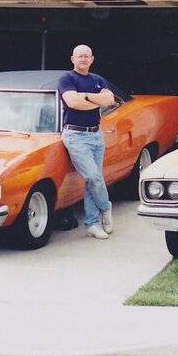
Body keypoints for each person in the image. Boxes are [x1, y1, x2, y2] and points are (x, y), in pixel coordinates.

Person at [58, 44, 116, 240]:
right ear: (72, 59)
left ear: (92, 59)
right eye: (79, 56)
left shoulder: (97, 79)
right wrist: (95, 100)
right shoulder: (67, 79)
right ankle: (106, 208)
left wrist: (86, 96)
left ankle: (92, 223)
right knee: (93, 177)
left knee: (94, 179)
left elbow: (109, 100)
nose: (83, 59)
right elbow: (73, 103)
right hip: (75, 136)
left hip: (96, 135)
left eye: (86, 56)